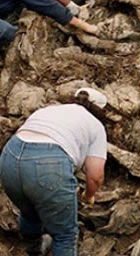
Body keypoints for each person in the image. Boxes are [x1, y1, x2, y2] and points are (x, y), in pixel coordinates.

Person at [0, 87, 109, 256]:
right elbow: (95, 177)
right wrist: (88, 195)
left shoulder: (51, 110)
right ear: (100, 111)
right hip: (49, 165)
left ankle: (34, 248)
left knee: (30, 212)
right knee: (65, 234)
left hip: (10, 157)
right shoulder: (95, 125)